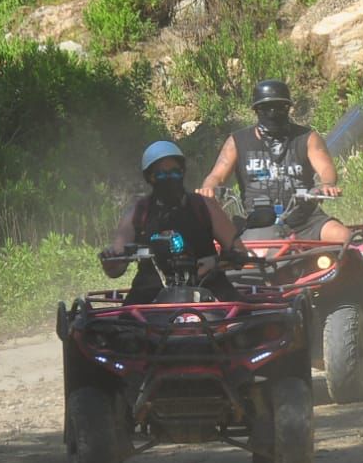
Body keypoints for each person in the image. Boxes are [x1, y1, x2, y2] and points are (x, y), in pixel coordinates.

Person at [196, 79, 349, 244]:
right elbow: (217, 175)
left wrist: (326, 184)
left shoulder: (307, 138)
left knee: (344, 237)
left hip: (306, 219)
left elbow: (326, 167)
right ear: (256, 110)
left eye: (279, 107)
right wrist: (208, 189)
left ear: (288, 108)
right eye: (266, 108)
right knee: (233, 252)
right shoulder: (237, 141)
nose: (272, 113)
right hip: (258, 223)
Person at [101, 141, 243, 304]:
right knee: (120, 328)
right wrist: (110, 262)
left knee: (245, 324)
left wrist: (215, 262)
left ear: (183, 172)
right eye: (161, 174)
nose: (169, 179)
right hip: (150, 292)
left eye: (175, 172)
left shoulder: (204, 206)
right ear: (149, 177)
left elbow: (240, 252)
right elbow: (116, 268)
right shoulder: (139, 213)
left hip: (209, 287)